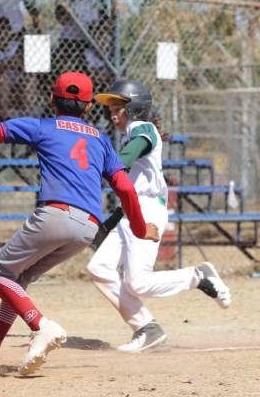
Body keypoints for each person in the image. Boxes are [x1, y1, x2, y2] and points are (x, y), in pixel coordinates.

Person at [0, 71, 160, 377]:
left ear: (51, 99)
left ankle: (41, 325)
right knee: (19, 279)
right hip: (88, 228)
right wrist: (140, 226)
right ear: (88, 107)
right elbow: (125, 188)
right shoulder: (101, 140)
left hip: (55, 215)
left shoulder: (42, 126)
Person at [86, 80, 232, 353]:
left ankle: (197, 276)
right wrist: (113, 218)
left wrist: (101, 167)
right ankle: (147, 329)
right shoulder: (133, 131)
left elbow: (127, 158)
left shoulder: (142, 130)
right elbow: (132, 180)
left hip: (148, 211)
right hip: (130, 212)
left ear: (136, 109)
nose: (113, 114)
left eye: (118, 108)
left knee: (138, 282)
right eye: (111, 109)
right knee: (99, 268)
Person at [53, 0, 102, 74]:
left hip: (93, 36)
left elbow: (103, 12)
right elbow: (62, 19)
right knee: (70, 68)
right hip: (71, 39)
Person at [0, 17, 29, 119]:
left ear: (9, 31)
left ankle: (26, 117)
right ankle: (5, 116)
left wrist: (9, 64)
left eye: (5, 29)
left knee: (29, 80)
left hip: (15, 77)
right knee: (4, 77)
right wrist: (11, 64)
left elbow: (22, 65)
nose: (3, 33)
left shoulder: (15, 45)